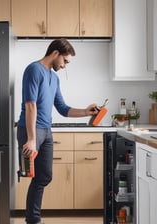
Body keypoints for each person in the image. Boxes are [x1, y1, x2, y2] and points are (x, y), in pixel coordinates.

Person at [16, 39, 98, 224]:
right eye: (65, 61)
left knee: (45, 176)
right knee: (27, 173)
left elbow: (62, 108)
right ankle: (33, 220)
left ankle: (32, 218)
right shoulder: (33, 70)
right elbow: (30, 105)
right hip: (31, 130)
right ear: (55, 53)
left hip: (46, 131)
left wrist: (86, 111)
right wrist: (30, 139)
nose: (65, 66)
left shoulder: (54, 78)